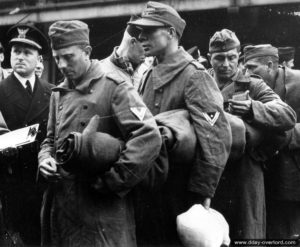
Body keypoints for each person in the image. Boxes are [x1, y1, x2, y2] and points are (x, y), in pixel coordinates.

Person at [38, 20, 161, 246]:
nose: (62, 64)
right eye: (57, 58)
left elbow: (148, 136)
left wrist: (113, 181)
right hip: (62, 209)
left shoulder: (115, 86)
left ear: (86, 52)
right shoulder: (58, 93)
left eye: (68, 56)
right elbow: (50, 140)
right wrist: (45, 158)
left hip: (100, 213)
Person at [129, 2, 232, 245]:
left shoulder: (194, 75)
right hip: (149, 184)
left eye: (149, 31)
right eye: (139, 31)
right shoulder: (147, 74)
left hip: (180, 191)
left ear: (172, 33)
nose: (141, 37)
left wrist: (202, 194)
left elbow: (216, 136)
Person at [207, 29, 296, 241]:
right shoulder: (201, 81)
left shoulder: (253, 85)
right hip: (211, 170)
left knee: (248, 232)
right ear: (210, 57)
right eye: (219, 58)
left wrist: (251, 108)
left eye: (231, 58)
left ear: (238, 57)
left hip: (244, 173)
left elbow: (287, 114)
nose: (226, 64)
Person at [0, 23, 54, 245]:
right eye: (16, 51)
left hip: (42, 179)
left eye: (27, 52)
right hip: (10, 180)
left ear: (39, 59)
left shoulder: (51, 92)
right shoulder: (1, 91)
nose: (20, 57)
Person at [244, 44, 300, 240]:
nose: (246, 73)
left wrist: (281, 135)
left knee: (288, 235)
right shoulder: (251, 86)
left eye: (252, 68)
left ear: (269, 65)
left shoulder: (299, 82)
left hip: (292, 178)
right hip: (263, 177)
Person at [101, 16, 146, 89]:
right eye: (145, 47)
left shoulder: (146, 70)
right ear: (133, 42)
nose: (147, 54)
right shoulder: (101, 71)